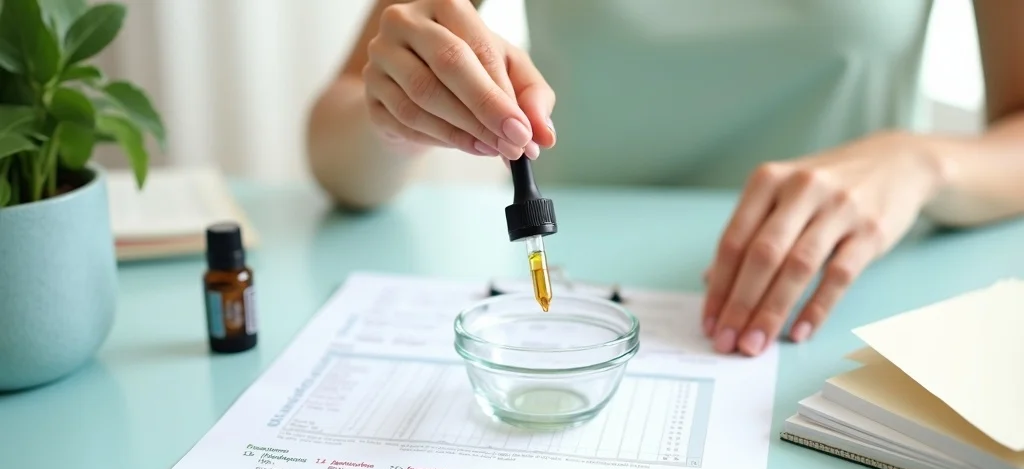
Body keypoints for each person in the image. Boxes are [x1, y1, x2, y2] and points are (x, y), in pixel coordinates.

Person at [305, 0, 1024, 357]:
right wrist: (394, 116)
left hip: (840, 312)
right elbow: (334, 147)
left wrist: (924, 161)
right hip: (584, 286)